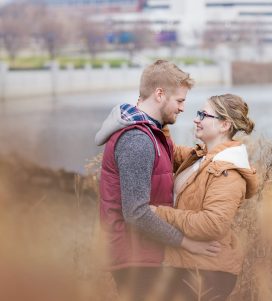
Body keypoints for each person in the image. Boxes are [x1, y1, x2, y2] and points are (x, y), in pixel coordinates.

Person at [95, 60, 220, 301]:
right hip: (134, 257)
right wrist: (185, 242)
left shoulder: (152, 133)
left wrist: (217, 152)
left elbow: (172, 158)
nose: (183, 108)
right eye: (180, 100)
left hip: (144, 252)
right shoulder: (137, 140)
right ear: (160, 94)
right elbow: (136, 212)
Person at [151, 93, 258, 301]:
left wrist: (160, 214)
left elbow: (212, 224)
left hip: (208, 272)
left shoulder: (227, 171)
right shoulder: (202, 157)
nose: (196, 118)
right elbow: (166, 151)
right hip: (189, 265)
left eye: (203, 114)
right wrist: (159, 114)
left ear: (224, 125)